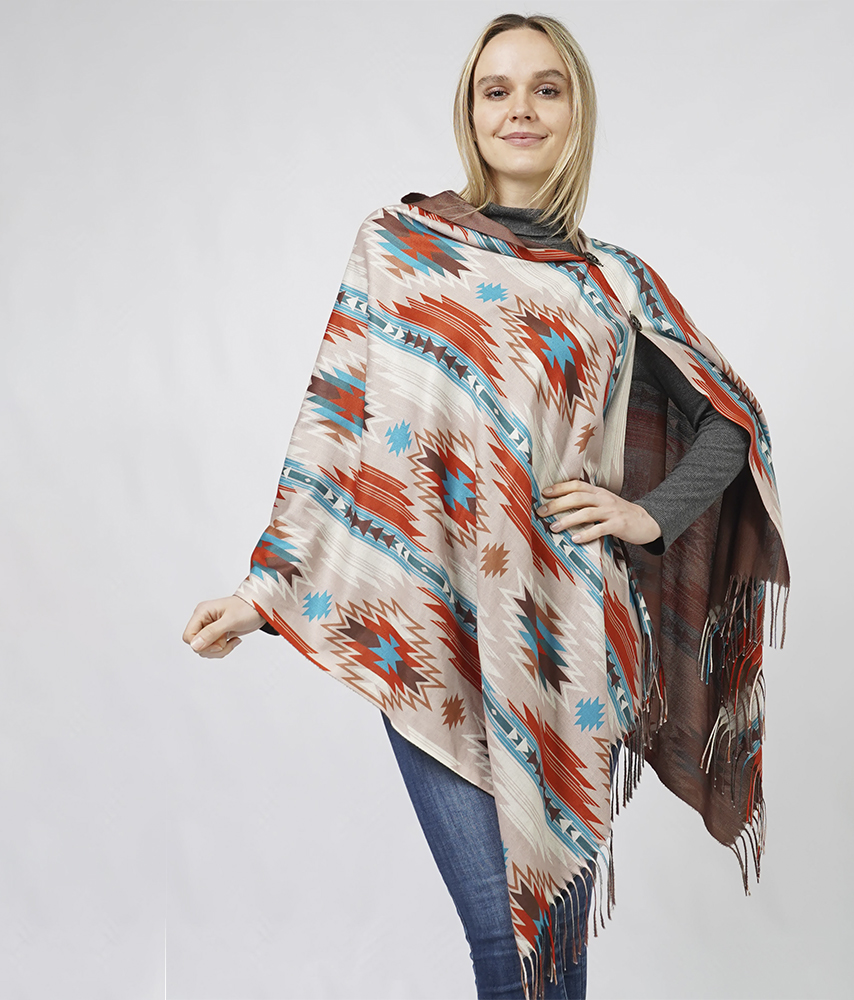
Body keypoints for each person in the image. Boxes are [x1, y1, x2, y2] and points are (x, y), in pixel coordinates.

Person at [183, 13, 789, 1000]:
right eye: (495, 89)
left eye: (546, 88)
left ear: (576, 110)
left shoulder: (612, 283)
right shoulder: (400, 247)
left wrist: (647, 515)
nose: (520, 109)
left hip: (565, 638)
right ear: (468, 112)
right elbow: (335, 424)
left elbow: (732, 422)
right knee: (504, 941)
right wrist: (263, 593)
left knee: (556, 948)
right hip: (429, 628)